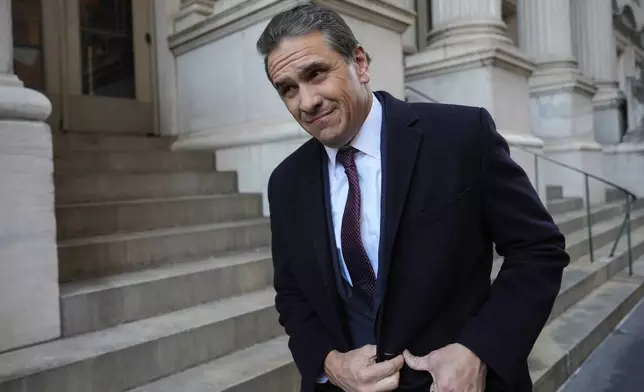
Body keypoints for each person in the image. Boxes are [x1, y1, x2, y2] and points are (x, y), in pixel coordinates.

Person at [257, 4, 570, 392]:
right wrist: (329, 363)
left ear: (359, 63)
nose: (306, 102)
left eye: (316, 74)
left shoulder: (460, 136)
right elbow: (292, 293)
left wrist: (479, 351)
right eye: (288, 89)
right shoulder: (286, 182)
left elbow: (538, 249)